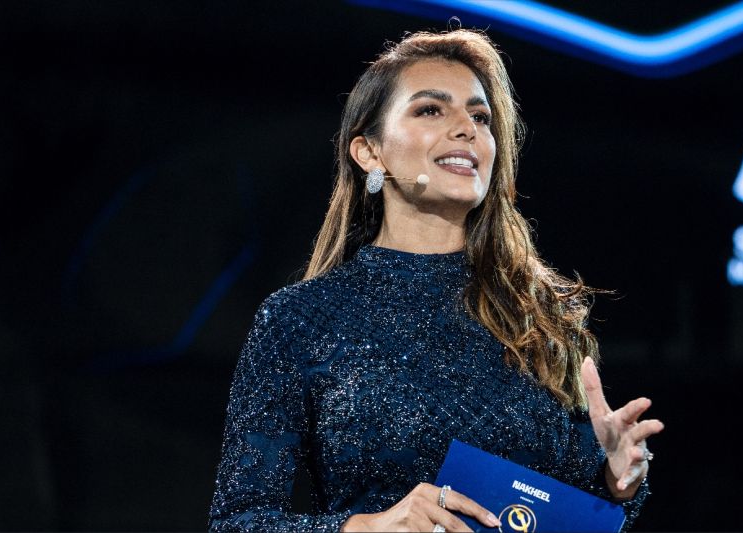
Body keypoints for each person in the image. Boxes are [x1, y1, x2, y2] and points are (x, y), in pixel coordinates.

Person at [208, 28, 664, 532]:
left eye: (480, 117)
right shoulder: (298, 319)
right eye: (430, 109)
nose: (466, 128)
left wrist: (615, 481)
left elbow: (565, 513)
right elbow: (238, 521)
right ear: (369, 152)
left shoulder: (541, 315)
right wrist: (369, 527)